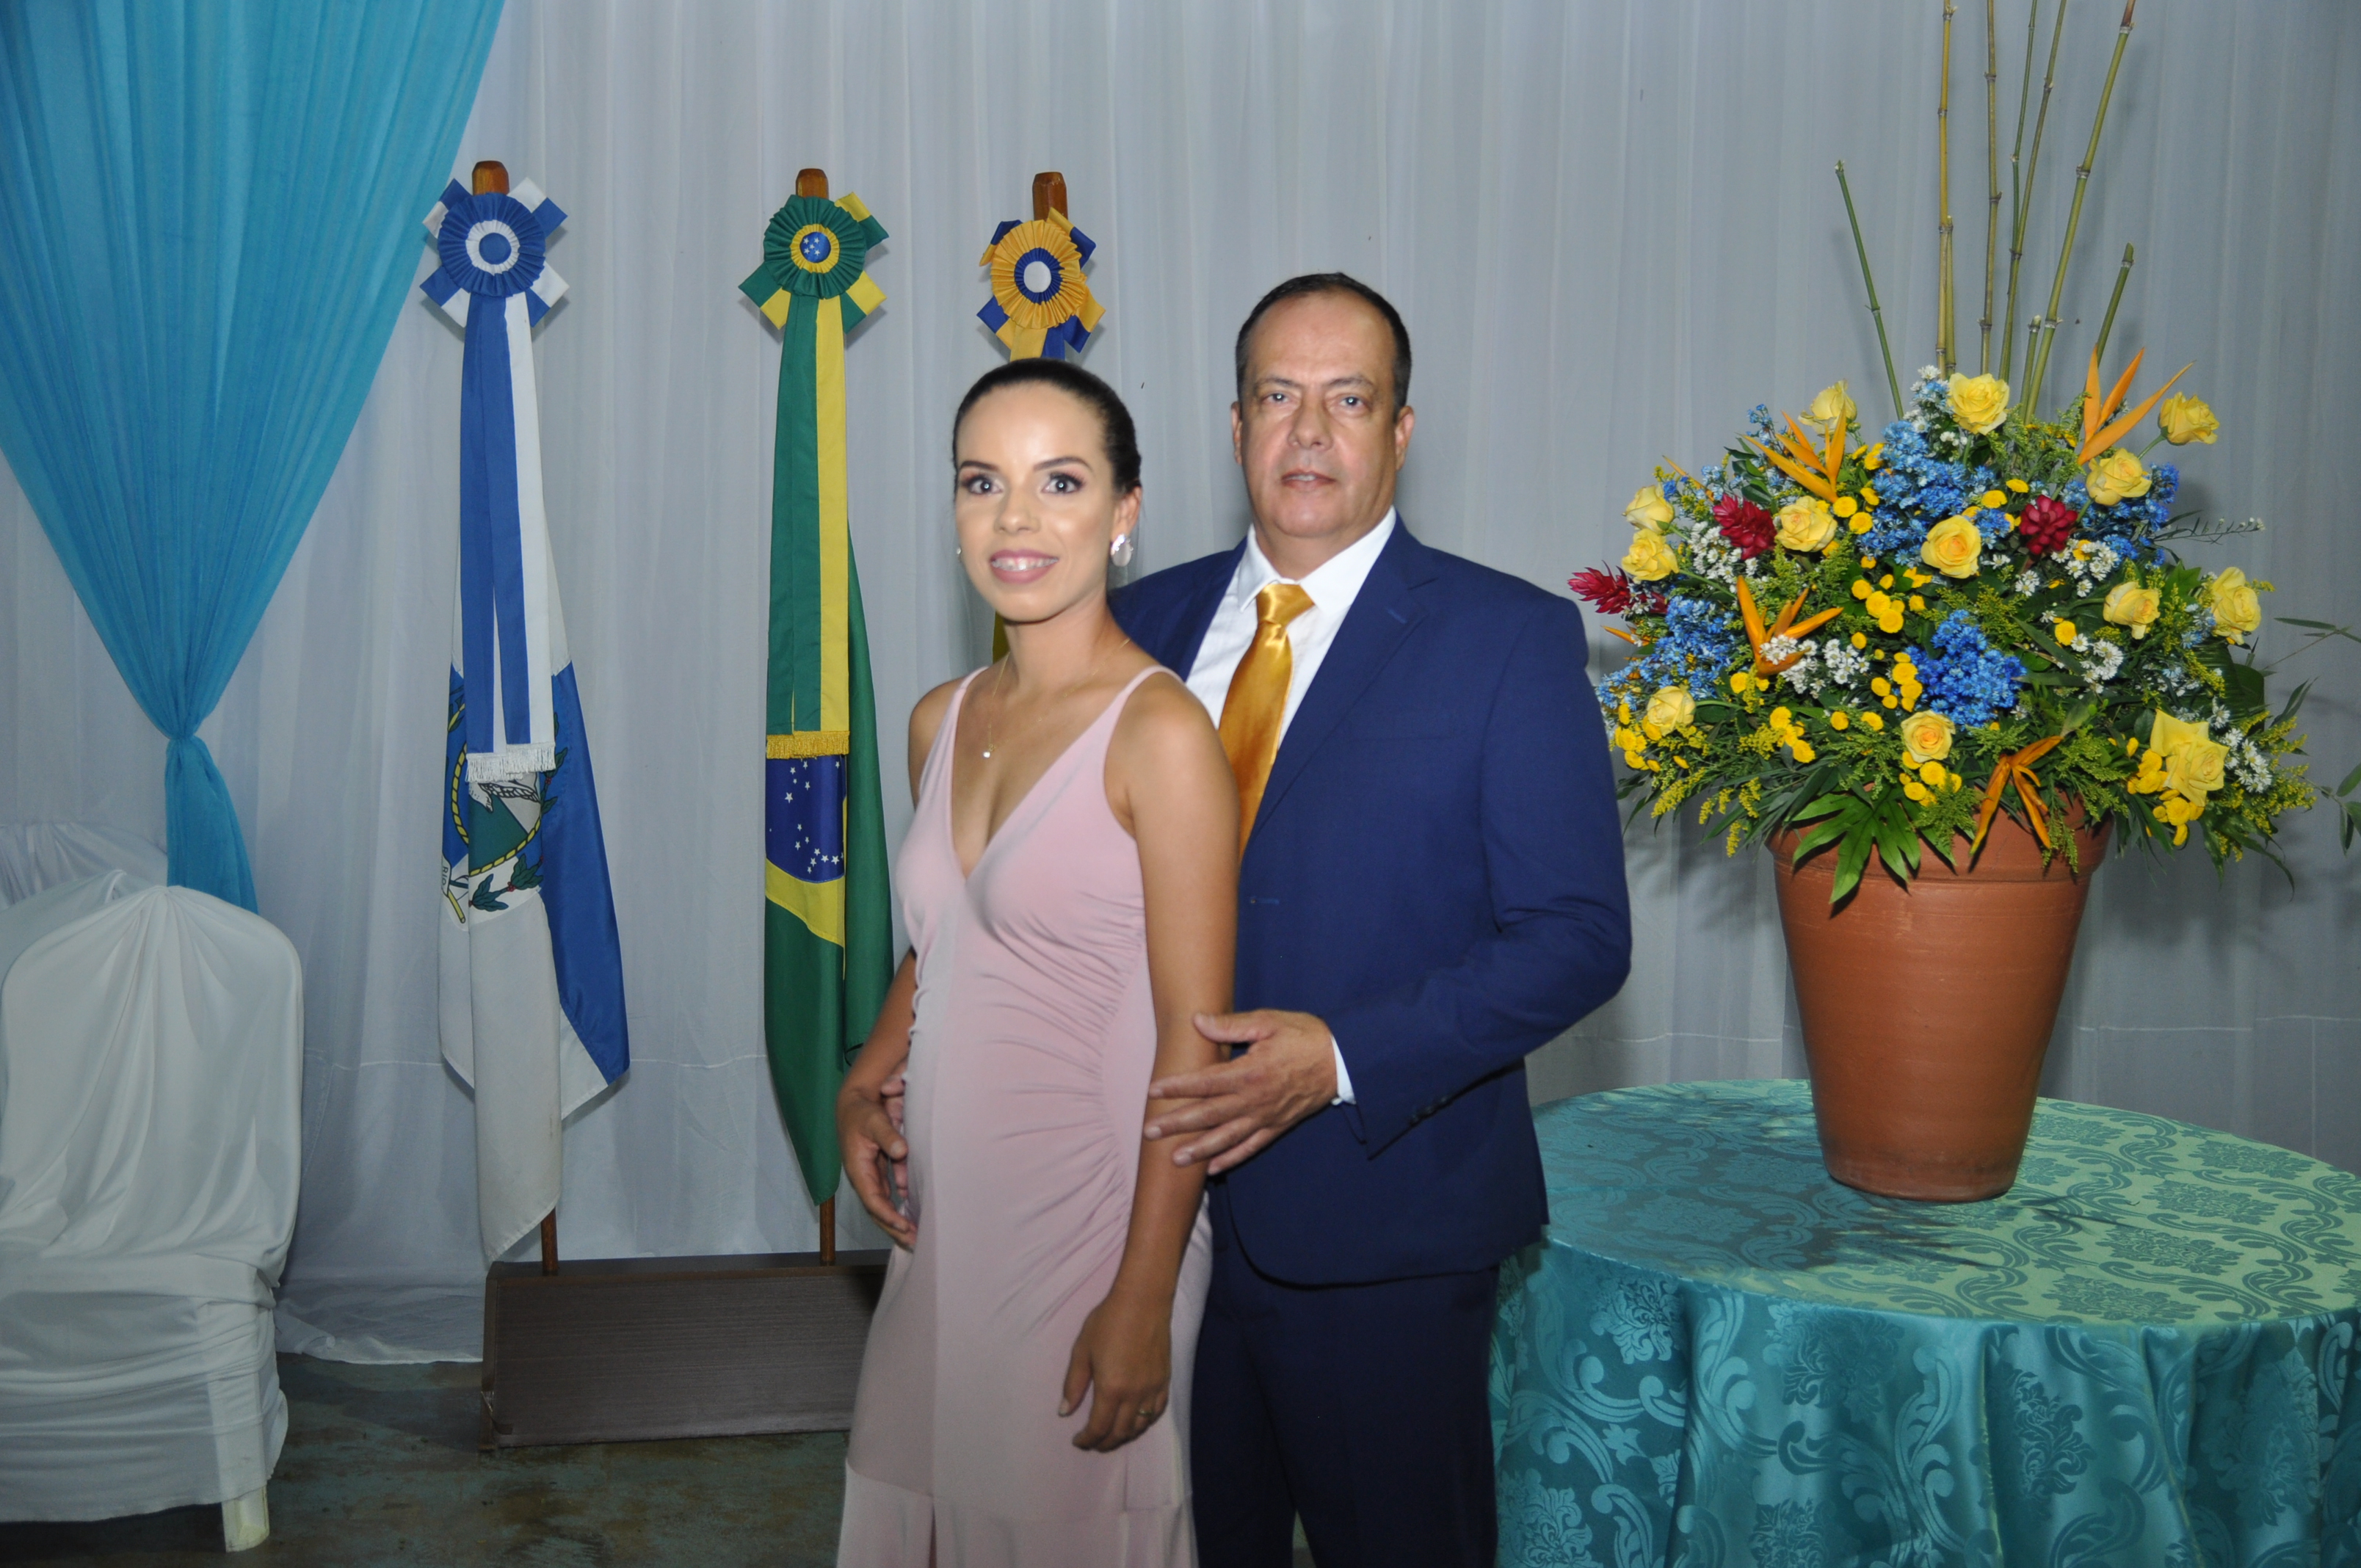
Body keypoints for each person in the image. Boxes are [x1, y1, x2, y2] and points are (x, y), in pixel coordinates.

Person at [1111, 274, 1631, 1567]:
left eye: (1349, 400)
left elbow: (1577, 935)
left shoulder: (1507, 639)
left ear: (1401, 432)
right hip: (1140, 1215)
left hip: (1384, 1222)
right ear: (1235, 424)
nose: (1309, 432)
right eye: (1278, 397)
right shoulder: (1133, 625)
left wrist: (1340, 1058)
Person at [833, 358, 1238, 1567]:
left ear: (1123, 513)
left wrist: (1143, 1299)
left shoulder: (1162, 733)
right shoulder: (939, 717)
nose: (1015, 517)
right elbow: (951, 940)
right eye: (982, 482)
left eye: (1059, 482)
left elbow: (1197, 1048)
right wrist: (866, 1076)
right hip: (947, 1219)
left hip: (1097, 1223)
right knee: (914, 1499)